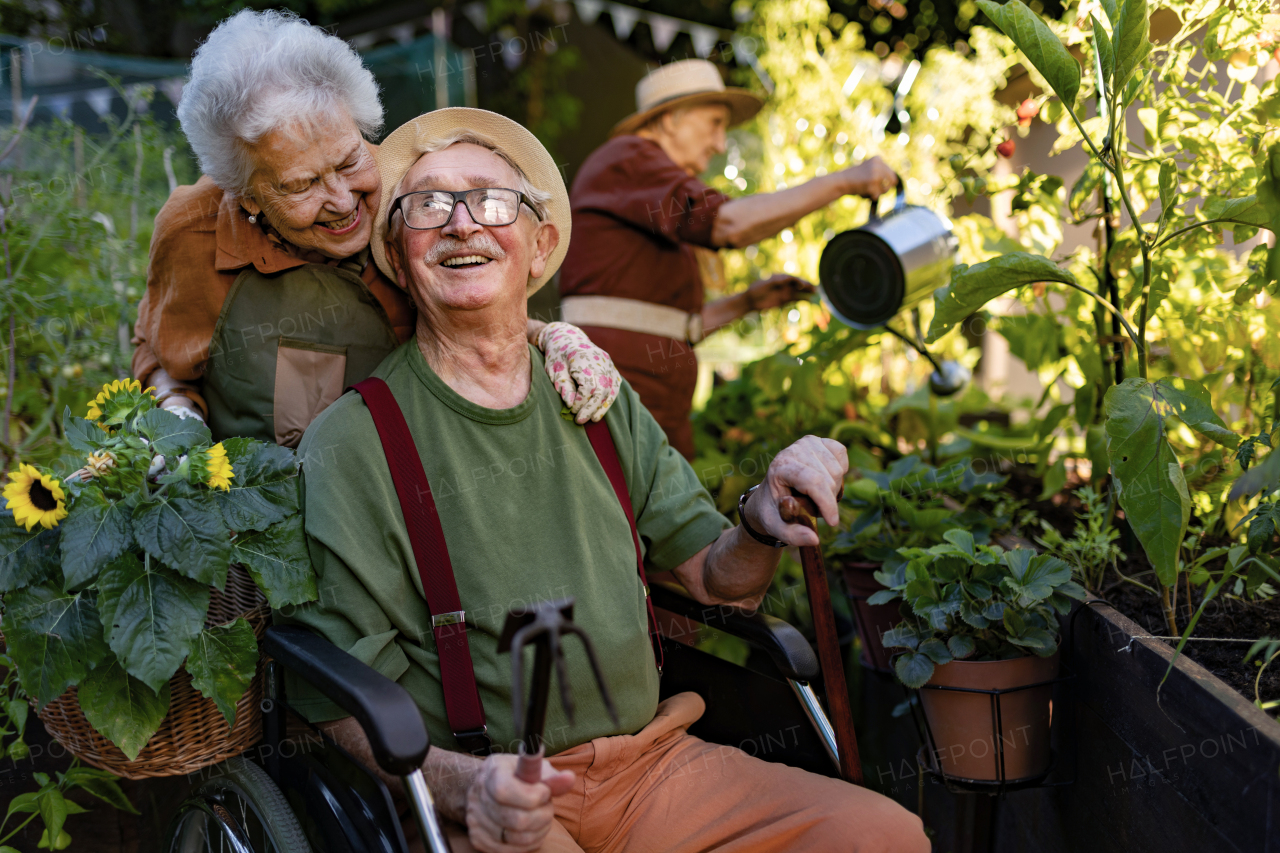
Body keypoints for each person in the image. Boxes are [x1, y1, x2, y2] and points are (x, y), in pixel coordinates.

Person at [285, 107, 929, 853]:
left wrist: (763, 511)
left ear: (540, 243)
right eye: (429, 205)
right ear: (399, 253)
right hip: (492, 796)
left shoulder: (593, 395)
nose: (463, 224)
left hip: (653, 767)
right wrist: (469, 785)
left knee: (884, 835)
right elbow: (342, 704)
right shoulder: (356, 441)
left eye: (492, 202)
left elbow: (724, 584)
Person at [131, 9, 619, 447]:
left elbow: (474, 317)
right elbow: (160, 351)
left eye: (349, 161)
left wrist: (549, 335)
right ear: (248, 195)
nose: (343, 202)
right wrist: (176, 417)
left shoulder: (412, 202)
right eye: (302, 186)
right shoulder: (195, 232)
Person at [559, 59, 897, 459]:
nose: (720, 144)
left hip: (646, 405)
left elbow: (672, 323)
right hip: (617, 397)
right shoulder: (630, 156)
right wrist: (843, 181)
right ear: (670, 119)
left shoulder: (647, 189)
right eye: (715, 123)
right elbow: (730, 224)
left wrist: (748, 302)